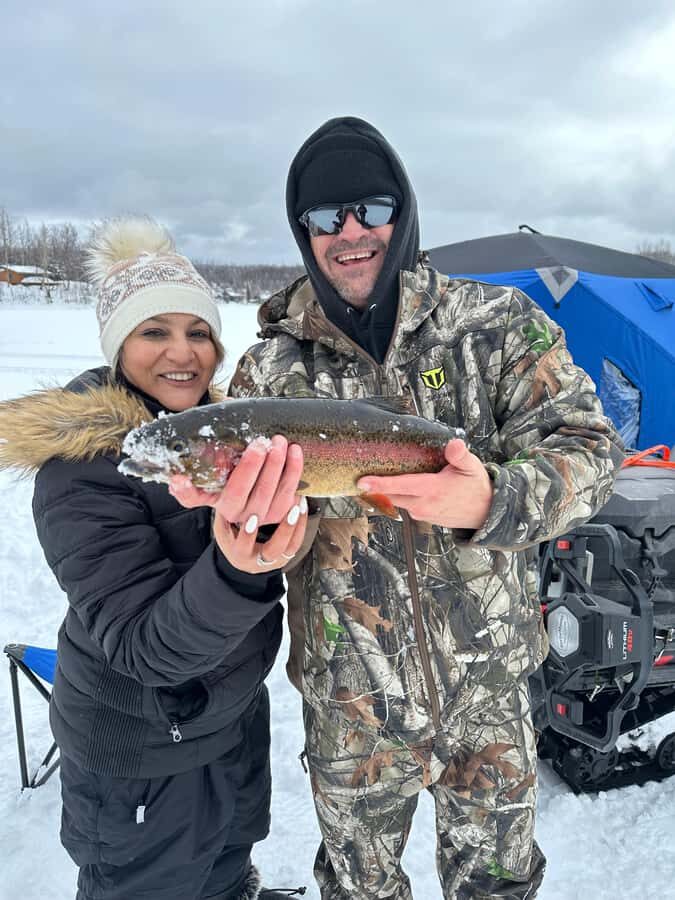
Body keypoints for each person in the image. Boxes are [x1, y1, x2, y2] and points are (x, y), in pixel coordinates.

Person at [228, 117, 624, 900]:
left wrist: (495, 496)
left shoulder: (495, 327)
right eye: (323, 218)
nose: (348, 233)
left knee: (498, 888)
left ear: (401, 213)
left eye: (368, 209)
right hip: (351, 705)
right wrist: (257, 540)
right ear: (301, 232)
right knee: (357, 890)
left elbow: (590, 448)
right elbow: (261, 529)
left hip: (489, 695)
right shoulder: (270, 368)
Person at [0, 218, 308, 900]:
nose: (183, 353)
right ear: (116, 347)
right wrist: (235, 569)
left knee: (228, 866)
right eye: (154, 332)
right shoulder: (80, 472)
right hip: (141, 750)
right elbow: (142, 647)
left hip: (227, 722)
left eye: (198, 332)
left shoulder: (225, 442)